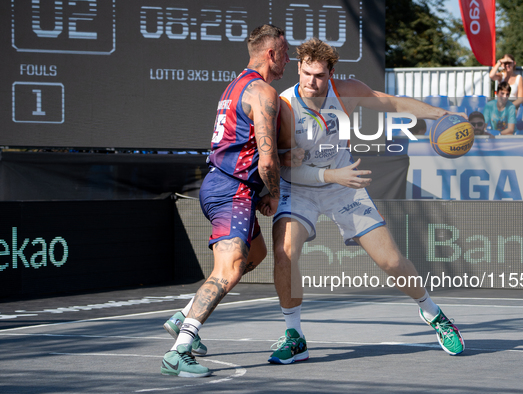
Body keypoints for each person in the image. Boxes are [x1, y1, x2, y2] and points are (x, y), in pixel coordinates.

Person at [268, 37, 465, 365]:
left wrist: (442, 115)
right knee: (285, 253)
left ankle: (434, 314)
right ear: (298, 68)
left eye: (318, 75)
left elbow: (394, 104)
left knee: (391, 262)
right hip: (299, 187)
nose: (310, 82)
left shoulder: (346, 91)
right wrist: (303, 167)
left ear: (331, 72)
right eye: (305, 73)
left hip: (344, 186)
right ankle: (294, 335)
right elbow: (280, 161)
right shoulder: (284, 105)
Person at [159, 24, 288, 378]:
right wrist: (274, 194)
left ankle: (184, 315)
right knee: (228, 270)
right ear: (271, 54)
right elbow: (266, 157)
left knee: (256, 255)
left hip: (224, 186)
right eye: (286, 52)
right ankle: (180, 348)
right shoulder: (264, 92)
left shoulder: (235, 85)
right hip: (232, 191)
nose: (288, 59)